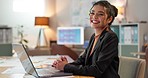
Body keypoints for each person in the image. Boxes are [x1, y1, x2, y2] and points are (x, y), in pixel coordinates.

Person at [52, 1, 120, 78]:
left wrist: (65, 67)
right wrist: (64, 64)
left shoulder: (110, 37)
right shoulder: (93, 37)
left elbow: (96, 70)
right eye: (92, 13)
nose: (94, 17)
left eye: (100, 14)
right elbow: (82, 61)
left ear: (109, 19)